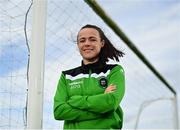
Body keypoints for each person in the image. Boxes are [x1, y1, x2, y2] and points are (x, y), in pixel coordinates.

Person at [53, 24, 125, 129]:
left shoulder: (114, 71)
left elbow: (110, 102)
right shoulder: (67, 76)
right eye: (82, 40)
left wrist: (75, 100)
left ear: (102, 43)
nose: (87, 43)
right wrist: (102, 110)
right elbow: (59, 111)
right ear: (78, 45)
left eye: (92, 39)